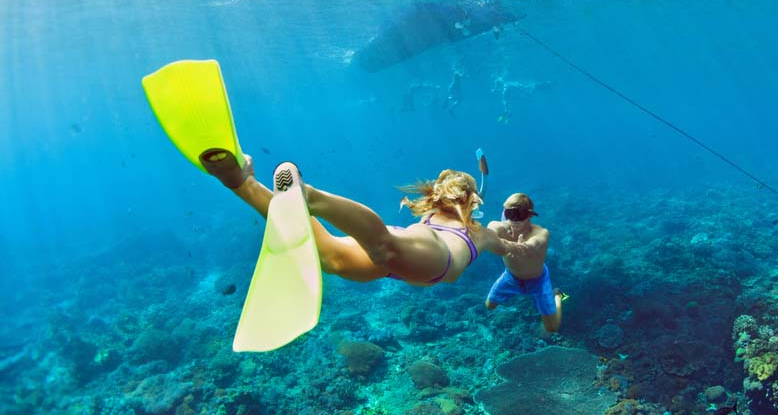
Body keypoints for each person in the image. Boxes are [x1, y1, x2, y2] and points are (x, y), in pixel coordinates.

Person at [202, 150, 525, 285]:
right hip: (433, 257)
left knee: (331, 258)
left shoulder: (430, 213)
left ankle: (242, 183)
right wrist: (513, 243)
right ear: (472, 200)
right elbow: (504, 248)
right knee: (384, 246)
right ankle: (310, 196)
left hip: (405, 247)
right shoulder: (478, 231)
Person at [484, 193, 564, 332]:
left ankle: (557, 296)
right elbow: (489, 232)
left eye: (519, 214)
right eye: (510, 214)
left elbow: (533, 244)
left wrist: (520, 247)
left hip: (538, 281)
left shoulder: (541, 232)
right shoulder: (498, 227)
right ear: (504, 213)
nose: (514, 219)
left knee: (552, 328)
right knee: (488, 306)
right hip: (510, 277)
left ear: (530, 215)